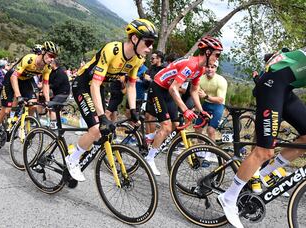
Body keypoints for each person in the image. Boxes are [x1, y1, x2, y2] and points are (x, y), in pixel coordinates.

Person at [218, 47, 306, 228]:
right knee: (265, 151)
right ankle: (229, 197)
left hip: (284, 88)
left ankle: (264, 174)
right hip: (272, 86)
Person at [69, 18, 157, 182]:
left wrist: (133, 110)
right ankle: (72, 159)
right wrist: (102, 117)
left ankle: (78, 149)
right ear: (135, 38)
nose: (150, 47)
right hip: (83, 84)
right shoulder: (112, 50)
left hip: (98, 87)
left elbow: (131, 86)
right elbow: (94, 83)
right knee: (96, 128)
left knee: (102, 130)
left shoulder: (138, 59)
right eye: (148, 42)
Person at [144, 36, 222, 175]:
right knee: (166, 126)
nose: (217, 58)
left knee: (174, 125)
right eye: (217, 54)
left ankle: (152, 137)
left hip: (168, 90)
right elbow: (174, 89)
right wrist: (185, 110)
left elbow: (193, 90)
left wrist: (201, 110)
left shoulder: (200, 68)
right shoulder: (191, 65)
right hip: (158, 88)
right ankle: (149, 159)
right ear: (208, 52)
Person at [0, 41, 57, 146]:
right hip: (12, 78)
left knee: (33, 104)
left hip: (25, 80)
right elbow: (14, 77)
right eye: (50, 55)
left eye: (54, 57)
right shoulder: (29, 59)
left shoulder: (47, 68)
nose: (52, 59)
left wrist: (48, 102)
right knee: (6, 109)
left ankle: (23, 126)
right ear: (43, 52)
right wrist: (18, 95)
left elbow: (45, 85)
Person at [194, 60, 227, 165]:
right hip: (206, 104)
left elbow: (220, 100)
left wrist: (206, 96)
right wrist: (194, 107)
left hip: (218, 105)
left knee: (210, 130)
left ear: (216, 69)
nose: (210, 69)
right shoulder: (200, 79)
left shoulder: (221, 80)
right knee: (197, 127)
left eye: (213, 67)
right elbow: (195, 93)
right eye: (208, 66)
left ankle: (209, 154)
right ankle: (202, 149)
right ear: (205, 68)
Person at [48, 59, 70, 129]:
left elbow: (56, 84)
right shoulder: (53, 71)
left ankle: (53, 126)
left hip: (63, 93)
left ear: (54, 64)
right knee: (55, 108)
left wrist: (46, 86)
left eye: (50, 63)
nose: (49, 64)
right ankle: (57, 124)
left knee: (53, 108)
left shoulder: (60, 72)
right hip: (57, 93)